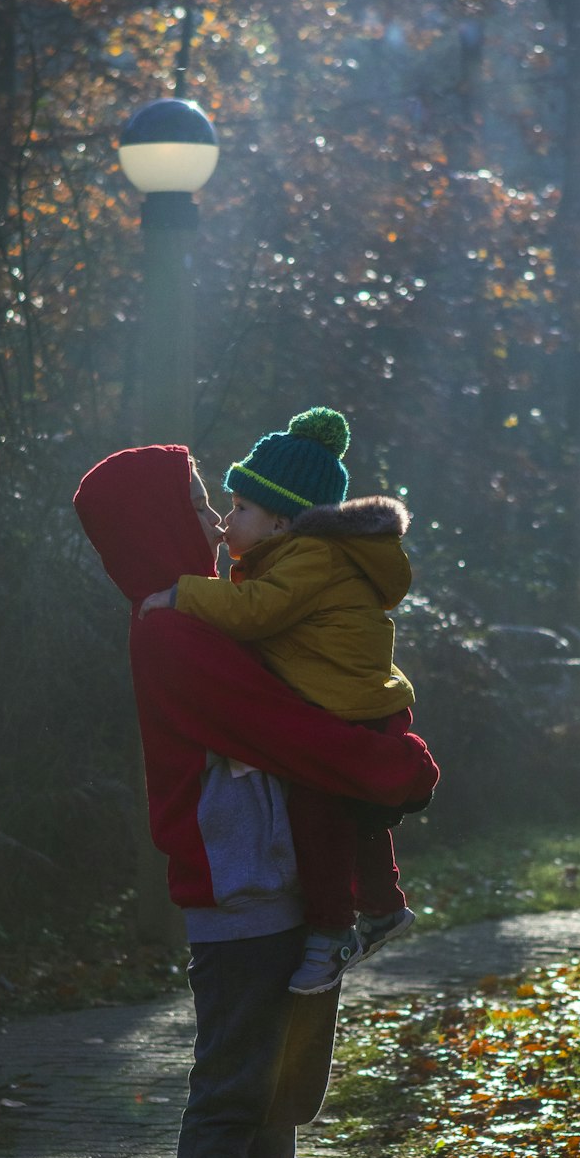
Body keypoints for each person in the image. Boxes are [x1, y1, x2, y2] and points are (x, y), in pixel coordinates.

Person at [73, 443, 438, 1158]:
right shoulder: (173, 634)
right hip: (240, 892)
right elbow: (289, 733)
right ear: (155, 522)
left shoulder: (223, 610)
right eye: (195, 503)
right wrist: (397, 768)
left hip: (291, 889)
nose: (211, 519)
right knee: (231, 1095)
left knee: (279, 1095)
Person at [139, 407, 420, 996]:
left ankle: (329, 931)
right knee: (357, 817)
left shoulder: (309, 561)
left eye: (239, 509)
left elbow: (252, 616)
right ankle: (383, 905)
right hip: (360, 700)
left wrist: (182, 594)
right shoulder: (299, 560)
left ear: (282, 523)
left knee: (320, 822)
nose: (224, 525)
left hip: (348, 705)